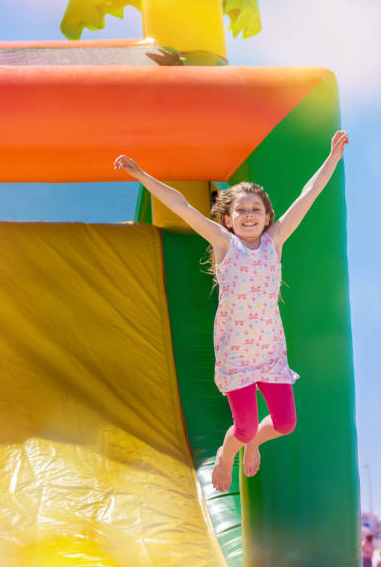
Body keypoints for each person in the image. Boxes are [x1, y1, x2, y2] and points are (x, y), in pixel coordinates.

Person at [113, 130, 349, 493]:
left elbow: (307, 196)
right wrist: (143, 176)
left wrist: (332, 158)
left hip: (270, 351)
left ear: (268, 216)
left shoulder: (275, 241)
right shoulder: (225, 245)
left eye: (256, 209)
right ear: (228, 219)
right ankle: (228, 454)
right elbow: (182, 207)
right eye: (241, 210)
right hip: (237, 354)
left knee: (285, 424)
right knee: (243, 428)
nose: (249, 215)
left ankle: (252, 443)